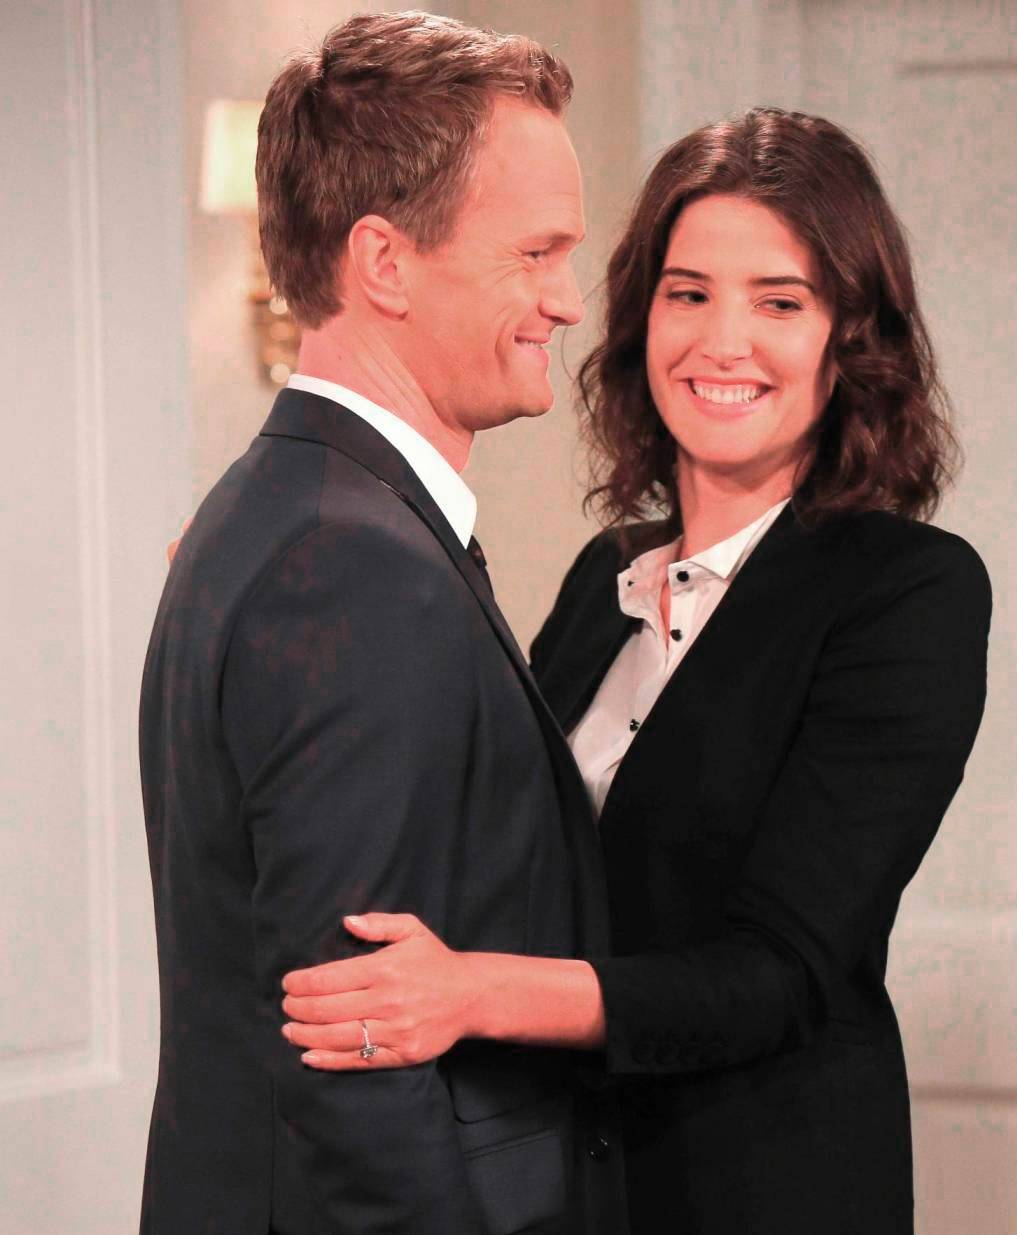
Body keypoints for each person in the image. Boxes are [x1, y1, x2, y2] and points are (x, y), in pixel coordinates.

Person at [279, 108, 992, 1235]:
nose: (723, 342)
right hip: (571, 1184)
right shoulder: (601, 576)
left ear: (851, 338)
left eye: (781, 302)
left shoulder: (909, 591)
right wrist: (301, 605)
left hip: (767, 1193)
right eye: (688, 292)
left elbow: (777, 973)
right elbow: (492, 832)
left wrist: (470, 993)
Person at [139, 12, 628, 1235]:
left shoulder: (277, 510)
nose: (566, 302)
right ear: (384, 262)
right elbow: (352, 1058)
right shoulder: (353, 563)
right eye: (535, 252)